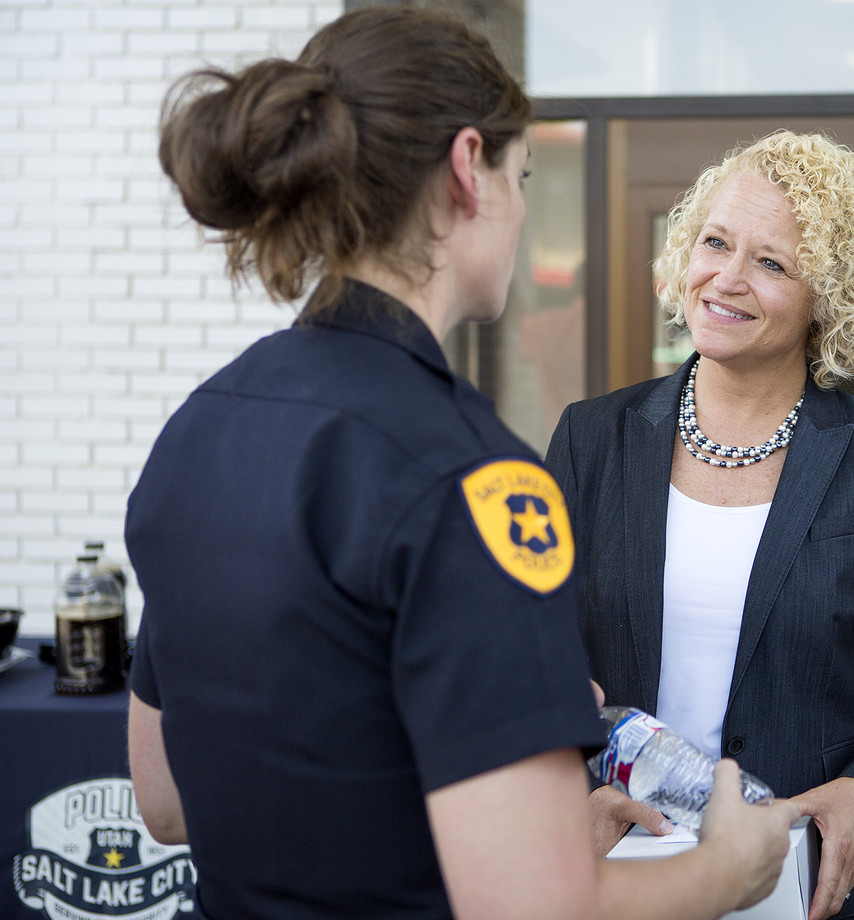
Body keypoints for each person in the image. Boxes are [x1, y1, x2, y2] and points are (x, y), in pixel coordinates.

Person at [124, 8, 797, 920]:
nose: (522, 212)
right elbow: (530, 909)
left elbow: (168, 804)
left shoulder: (199, 431)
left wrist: (517, 828)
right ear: (465, 170)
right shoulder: (475, 482)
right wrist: (734, 866)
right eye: (522, 179)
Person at [546, 130, 854, 920]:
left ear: (831, 298)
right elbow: (525, 648)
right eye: (715, 243)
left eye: (772, 263)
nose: (726, 280)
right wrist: (570, 786)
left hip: (808, 879)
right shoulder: (589, 438)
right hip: (619, 866)